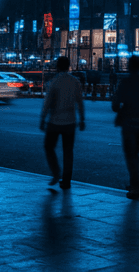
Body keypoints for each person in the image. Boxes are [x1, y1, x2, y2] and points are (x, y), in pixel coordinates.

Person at [110, 55, 139, 199]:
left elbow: (115, 105)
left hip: (128, 123)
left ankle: (135, 186)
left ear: (129, 67)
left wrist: (121, 107)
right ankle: (134, 183)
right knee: (136, 154)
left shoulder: (125, 83)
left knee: (130, 156)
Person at [39, 56, 86, 190]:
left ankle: (56, 172)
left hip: (55, 120)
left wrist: (43, 118)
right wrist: (82, 119)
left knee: (48, 147)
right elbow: (80, 102)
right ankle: (66, 180)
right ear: (68, 66)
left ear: (58, 67)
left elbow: (47, 103)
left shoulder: (54, 81)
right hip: (70, 121)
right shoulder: (75, 81)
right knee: (68, 152)